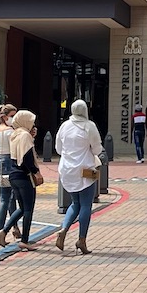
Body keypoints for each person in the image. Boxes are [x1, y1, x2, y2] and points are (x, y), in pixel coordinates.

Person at [55, 99, 104, 254]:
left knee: (75, 203)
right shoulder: (89, 126)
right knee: (85, 205)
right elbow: (97, 150)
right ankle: (81, 239)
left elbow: (58, 148)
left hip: (67, 170)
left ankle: (63, 229)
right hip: (85, 171)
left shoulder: (64, 126)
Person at [5, 109, 45, 250]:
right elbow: (27, 157)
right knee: (28, 209)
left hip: (14, 175)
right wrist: (36, 172)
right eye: (32, 122)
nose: (34, 125)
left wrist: (31, 136)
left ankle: (3, 231)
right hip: (24, 176)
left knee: (21, 208)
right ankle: (25, 240)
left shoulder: (15, 135)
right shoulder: (24, 136)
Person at [0, 104, 18, 247]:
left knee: (9, 196)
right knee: (5, 198)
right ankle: (1, 230)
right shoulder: (9, 131)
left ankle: (15, 227)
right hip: (6, 164)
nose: (14, 119)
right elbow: (15, 148)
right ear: (4, 117)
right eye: (12, 116)